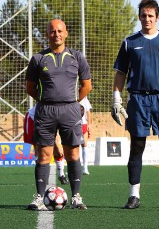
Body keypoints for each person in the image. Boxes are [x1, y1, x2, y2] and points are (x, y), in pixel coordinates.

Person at [111, 0, 159, 209]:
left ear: (157, 17)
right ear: (139, 17)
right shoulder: (129, 42)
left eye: (151, 16)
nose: (147, 19)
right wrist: (116, 99)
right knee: (137, 147)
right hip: (138, 99)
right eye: (144, 15)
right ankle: (134, 196)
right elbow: (120, 73)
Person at [25, 18, 92, 210]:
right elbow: (30, 88)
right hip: (45, 111)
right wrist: (47, 99)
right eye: (53, 31)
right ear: (47, 34)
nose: (57, 34)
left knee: (73, 153)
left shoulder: (76, 57)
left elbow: (87, 84)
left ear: (66, 33)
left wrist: (72, 101)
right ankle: (39, 197)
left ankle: (76, 197)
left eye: (60, 31)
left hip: (70, 110)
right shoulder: (38, 59)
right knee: (44, 155)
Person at [23, 105, 69, 185]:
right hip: (34, 118)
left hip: (51, 118)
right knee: (38, 148)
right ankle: (41, 177)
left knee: (57, 148)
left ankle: (61, 174)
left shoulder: (65, 107)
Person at [79, 96, 92, 175]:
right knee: (74, 146)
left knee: (84, 145)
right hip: (73, 124)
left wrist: (89, 124)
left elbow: (88, 112)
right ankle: (76, 167)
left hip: (83, 124)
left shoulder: (84, 98)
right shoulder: (69, 95)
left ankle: (85, 168)